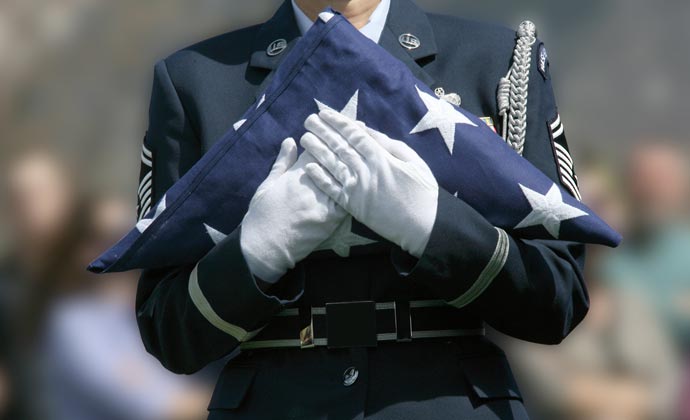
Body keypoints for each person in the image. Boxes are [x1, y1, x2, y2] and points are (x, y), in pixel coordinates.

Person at [134, 0, 588, 418]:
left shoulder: (495, 61)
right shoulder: (196, 80)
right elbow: (170, 334)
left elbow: (558, 299)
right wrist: (256, 251)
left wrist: (434, 227)